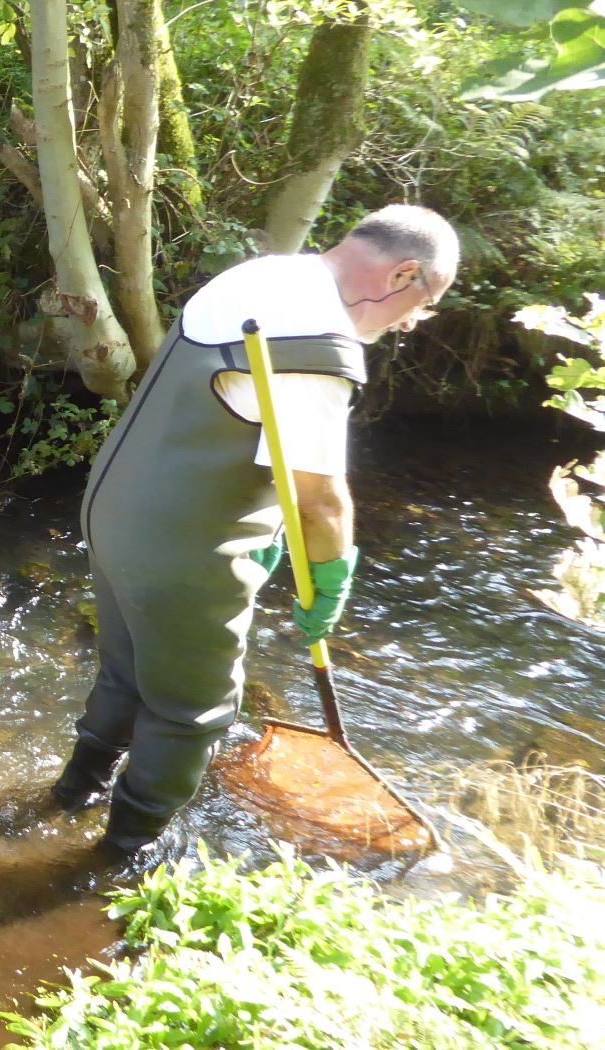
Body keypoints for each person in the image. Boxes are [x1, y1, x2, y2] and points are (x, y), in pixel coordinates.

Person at [52, 204, 459, 859]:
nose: (412, 321)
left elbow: (230, 421)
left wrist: (266, 529)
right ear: (402, 273)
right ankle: (120, 858)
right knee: (193, 712)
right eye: (422, 302)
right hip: (183, 551)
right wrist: (328, 580)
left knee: (128, 676)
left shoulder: (261, 276)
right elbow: (321, 502)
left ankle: (71, 794)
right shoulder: (320, 342)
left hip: (113, 511)